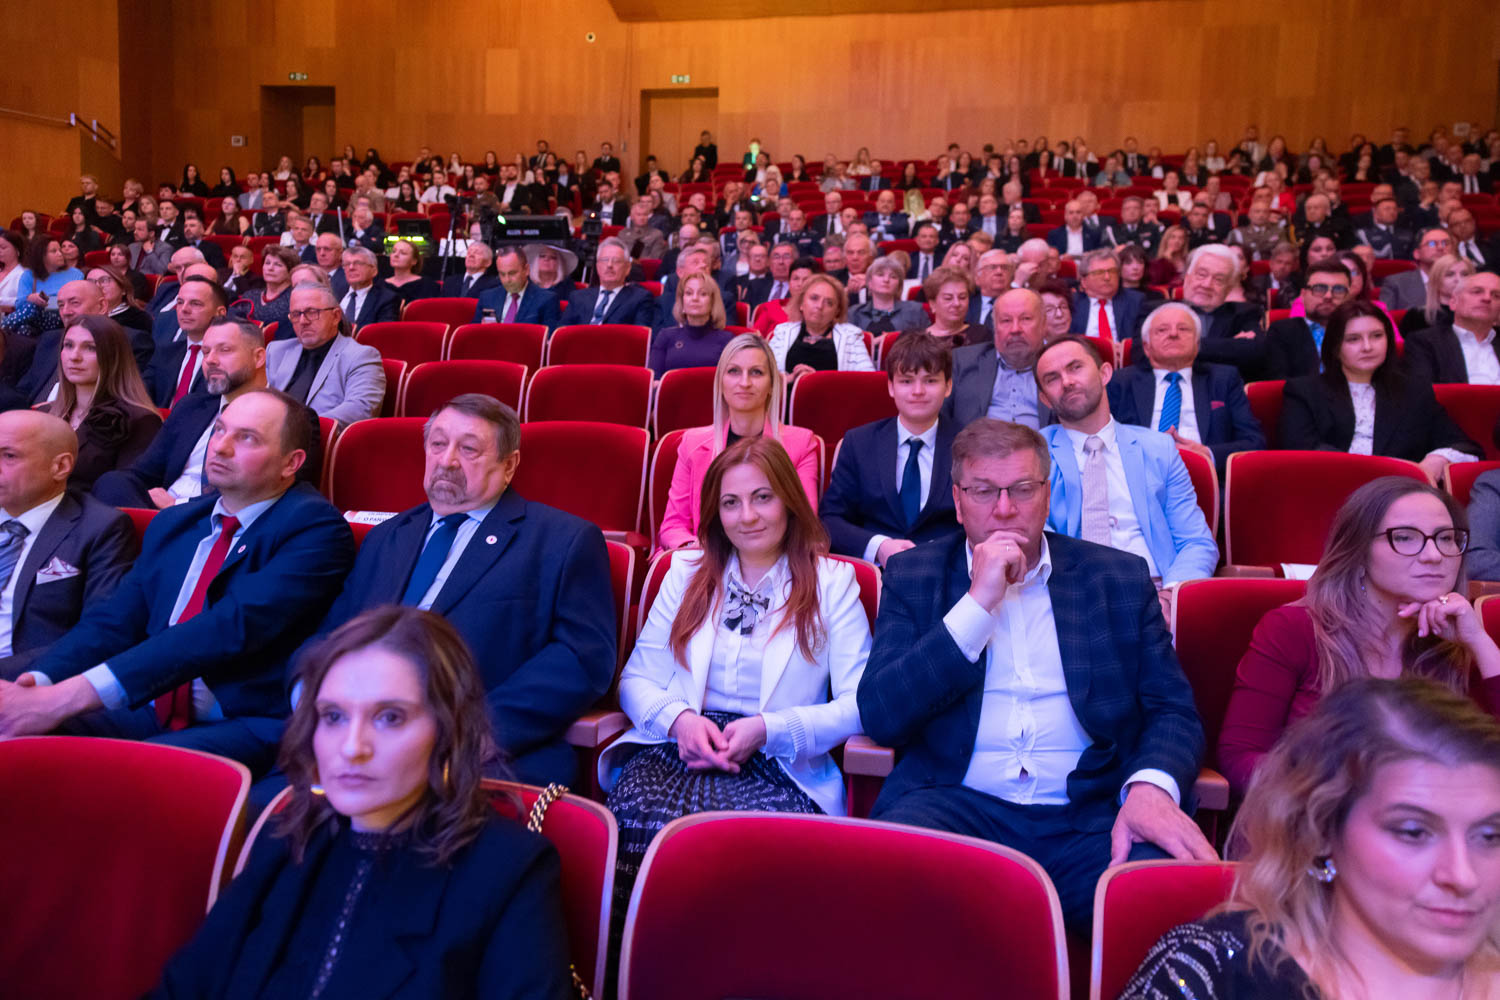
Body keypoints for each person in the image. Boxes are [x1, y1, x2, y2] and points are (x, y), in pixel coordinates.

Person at [857, 417, 1213, 931]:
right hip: (953, 806)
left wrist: (1151, 788)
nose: (1004, 509)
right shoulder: (916, 575)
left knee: (1162, 889)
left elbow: (1172, 711)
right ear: (957, 501)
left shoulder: (1116, 576)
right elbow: (882, 715)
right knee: (889, 879)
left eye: (1022, 489)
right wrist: (977, 604)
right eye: (984, 491)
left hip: (1090, 815)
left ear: (1047, 495)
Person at [155, 606, 575, 998]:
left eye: (390, 717)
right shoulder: (286, 839)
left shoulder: (508, 870)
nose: (352, 747)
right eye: (334, 717)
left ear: (448, 731)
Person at [0, 389, 353, 772]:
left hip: (244, 719)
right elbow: (112, 622)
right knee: (14, 733)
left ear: (291, 462)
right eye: (220, 430)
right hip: (149, 705)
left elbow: (229, 627)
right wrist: (37, 684)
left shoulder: (315, 528)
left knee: (129, 770)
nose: (221, 447)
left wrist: (68, 696)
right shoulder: (175, 523)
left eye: (247, 438)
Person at [603, 437, 870, 932]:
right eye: (731, 502)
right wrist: (680, 721)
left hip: (780, 760)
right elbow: (636, 678)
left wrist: (769, 729)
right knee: (640, 821)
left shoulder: (833, 583)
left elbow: (860, 704)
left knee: (737, 847)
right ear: (715, 513)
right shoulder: (684, 573)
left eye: (762, 497)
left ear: (789, 499)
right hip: (678, 748)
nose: (747, 516)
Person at [1127, 677, 1500, 999]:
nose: (1462, 876)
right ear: (1320, 830)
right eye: (1413, 832)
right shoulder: (1210, 973)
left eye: (1489, 836)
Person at [307, 394, 613, 787]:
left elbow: (582, 658)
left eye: (468, 449)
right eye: (438, 444)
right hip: (355, 735)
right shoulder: (386, 537)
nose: (447, 460)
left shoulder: (561, 540)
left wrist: (473, 730)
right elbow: (334, 634)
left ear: (509, 465)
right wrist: (310, 697)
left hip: (476, 749)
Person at [1218, 476, 1500, 794]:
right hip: (1315, 815)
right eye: (1405, 537)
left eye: (1446, 538)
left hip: (1433, 819)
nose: (1434, 555)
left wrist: (1480, 643)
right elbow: (1240, 759)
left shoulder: (1459, 640)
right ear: (1359, 551)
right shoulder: (1293, 628)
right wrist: (1350, 792)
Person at [1035, 335, 1220, 594]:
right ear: (1045, 399)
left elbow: (1195, 541)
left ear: (1105, 373)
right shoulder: (1033, 454)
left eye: (1075, 367)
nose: (1067, 382)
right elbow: (1033, 541)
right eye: (1052, 378)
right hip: (1075, 594)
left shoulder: (1159, 449)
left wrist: (1172, 595)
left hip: (1156, 589)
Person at [1281, 300, 1480, 485]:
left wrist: (1438, 458)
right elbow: (1302, 452)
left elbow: (1462, 444)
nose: (1367, 347)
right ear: (1335, 347)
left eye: (1377, 336)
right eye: (1353, 339)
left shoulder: (1414, 390)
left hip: (1400, 492)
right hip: (1331, 485)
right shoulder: (1304, 391)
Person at [0, 410, 136, 678]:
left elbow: (98, 633)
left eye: (9, 456)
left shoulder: (100, 529)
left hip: (23, 678)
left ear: (60, 466)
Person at [658, 334, 821, 550]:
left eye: (756, 372)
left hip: (772, 559)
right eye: (734, 371)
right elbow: (673, 525)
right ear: (720, 382)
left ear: (772, 385)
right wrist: (697, 550)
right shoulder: (692, 443)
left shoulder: (801, 444)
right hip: (703, 556)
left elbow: (804, 526)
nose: (744, 383)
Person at [93, 319, 274, 510]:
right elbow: (144, 473)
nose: (210, 360)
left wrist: (177, 506)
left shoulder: (282, 418)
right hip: (160, 506)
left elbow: (259, 493)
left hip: (217, 515)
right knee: (111, 482)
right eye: (206, 352)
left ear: (258, 357)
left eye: (224, 350)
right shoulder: (191, 406)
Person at [821, 332, 963, 564]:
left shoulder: (969, 445)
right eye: (906, 381)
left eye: (930, 381)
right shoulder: (859, 442)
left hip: (948, 569)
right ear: (890, 387)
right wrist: (879, 547)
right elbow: (830, 519)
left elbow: (982, 521)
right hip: (876, 570)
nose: (918, 391)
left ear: (948, 386)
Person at [1108, 303, 1266, 474]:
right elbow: (1102, 440)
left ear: (1197, 345)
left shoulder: (1223, 379)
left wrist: (1208, 454)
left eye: (1183, 329)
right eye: (1162, 330)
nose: (1173, 334)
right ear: (1146, 347)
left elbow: (1254, 442)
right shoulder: (1121, 382)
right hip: (1140, 475)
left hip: (1206, 476)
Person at [44, 315, 162, 491]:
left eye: (90, 348)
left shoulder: (140, 420)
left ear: (113, 357)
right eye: (68, 345)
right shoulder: (45, 414)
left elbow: (122, 492)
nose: (74, 356)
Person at [268, 283, 386, 428]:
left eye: (312, 312)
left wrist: (299, 429)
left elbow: (360, 409)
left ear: (335, 316)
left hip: (318, 436)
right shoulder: (276, 351)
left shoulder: (361, 356)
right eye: (296, 314)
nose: (303, 321)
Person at [946, 288, 1052, 428]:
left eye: (1025, 319)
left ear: (1044, 325)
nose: (1015, 329)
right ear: (995, 328)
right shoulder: (962, 361)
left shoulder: (1059, 364)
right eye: (1006, 321)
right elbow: (939, 419)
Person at [1265, 260, 1359, 378]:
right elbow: (1281, 383)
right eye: (1319, 288)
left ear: (1348, 297)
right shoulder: (1281, 332)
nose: (1328, 296)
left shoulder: (1360, 331)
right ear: (1303, 295)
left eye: (1338, 289)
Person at [143, 275, 226, 408]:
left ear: (220, 313)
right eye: (180, 302)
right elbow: (140, 393)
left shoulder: (228, 360)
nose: (184, 309)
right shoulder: (165, 353)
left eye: (195, 303)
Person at [1403, 271, 1500, 385]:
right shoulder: (1424, 343)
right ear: (1453, 302)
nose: (1487, 298)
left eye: (1496, 296)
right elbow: (1422, 392)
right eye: (1477, 292)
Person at [768, 274, 874, 377]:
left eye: (829, 303)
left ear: (837, 311)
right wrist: (788, 379)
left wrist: (818, 380)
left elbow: (869, 378)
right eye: (814, 298)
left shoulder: (851, 336)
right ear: (801, 303)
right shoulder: (783, 332)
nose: (819, 306)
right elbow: (765, 372)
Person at [648, 271, 734, 377]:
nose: (695, 298)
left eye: (703, 294)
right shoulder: (665, 336)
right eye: (689, 293)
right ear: (682, 301)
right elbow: (655, 380)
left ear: (712, 302)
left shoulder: (727, 340)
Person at [557, 238, 656, 328]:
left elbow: (640, 336)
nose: (609, 265)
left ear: (627, 268)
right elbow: (562, 333)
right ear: (597, 266)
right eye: (604, 260)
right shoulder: (578, 297)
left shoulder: (640, 298)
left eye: (616, 261)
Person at [472, 247, 562, 328]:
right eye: (502, 274)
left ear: (526, 270)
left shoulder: (546, 300)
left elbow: (548, 337)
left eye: (512, 273)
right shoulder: (487, 298)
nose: (507, 280)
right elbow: (473, 334)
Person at [1071, 248, 1144, 342]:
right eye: (1099, 272)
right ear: (1084, 281)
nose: (1107, 277)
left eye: (1112, 271)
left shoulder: (1135, 301)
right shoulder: (1072, 303)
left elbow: (1141, 340)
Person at [1381, 227, 1457, 311]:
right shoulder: (1396, 283)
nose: (1440, 247)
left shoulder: (1464, 281)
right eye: (1432, 243)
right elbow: (1384, 317)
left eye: (1445, 243)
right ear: (1417, 253)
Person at [849, 256, 926, 336]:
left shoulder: (915, 311)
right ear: (869, 282)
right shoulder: (854, 313)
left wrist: (891, 339)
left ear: (899, 286)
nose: (886, 280)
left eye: (893, 277)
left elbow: (925, 340)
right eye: (880, 275)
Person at [921, 266, 987, 349]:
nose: (957, 303)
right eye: (948, 298)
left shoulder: (983, 335)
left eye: (962, 297)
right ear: (932, 304)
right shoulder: (919, 342)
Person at [334, 246, 400, 328]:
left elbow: (385, 332)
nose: (351, 268)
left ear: (374, 271)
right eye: (347, 264)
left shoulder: (386, 299)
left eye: (358, 263)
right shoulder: (335, 294)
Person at [88, 263, 152, 340]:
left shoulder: (138, 320)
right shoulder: (82, 316)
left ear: (123, 289)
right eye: (90, 282)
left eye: (104, 280)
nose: (98, 286)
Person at [240, 245, 297, 331]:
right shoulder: (249, 296)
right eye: (267, 263)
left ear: (290, 271)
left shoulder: (294, 299)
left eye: (278, 265)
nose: (270, 268)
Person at [382, 239, 438, 310]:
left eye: (403, 253)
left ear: (414, 261)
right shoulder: (380, 285)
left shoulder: (427, 285)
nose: (396, 255)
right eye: (393, 251)